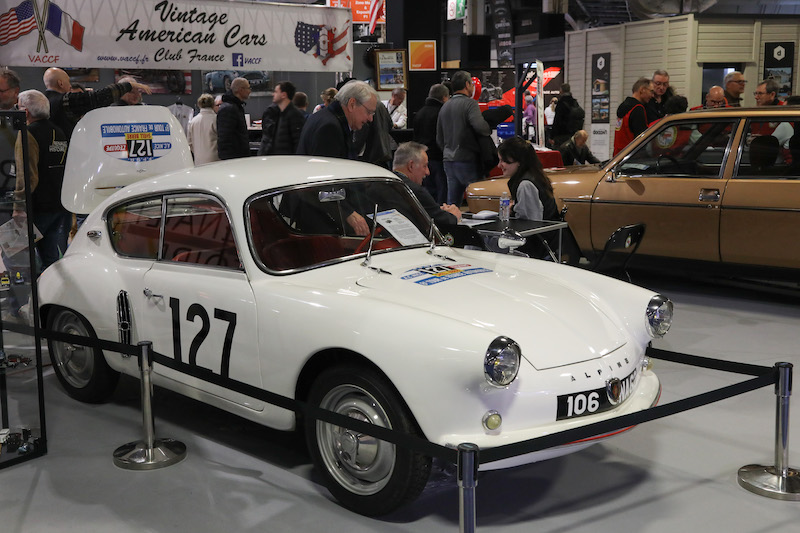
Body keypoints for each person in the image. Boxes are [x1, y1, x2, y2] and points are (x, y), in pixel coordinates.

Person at [297, 80, 378, 235]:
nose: (370, 119)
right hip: (318, 216)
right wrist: (348, 213)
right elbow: (322, 181)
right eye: (369, 112)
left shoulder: (325, 117)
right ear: (352, 104)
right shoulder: (330, 127)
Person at [13, 90, 71, 272]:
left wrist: (19, 206)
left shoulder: (27, 134)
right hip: (59, 205)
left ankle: (31, 298)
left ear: (26, 112)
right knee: (51, 259)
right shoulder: (59, 131)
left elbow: (27, 175)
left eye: (18, 107)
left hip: (37, 208)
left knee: (15, 256)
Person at [43, 67, 151, 139]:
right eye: (68, 81)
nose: (70, 85)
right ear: (60, 83)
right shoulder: (65, 100)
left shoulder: (43, 100)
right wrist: (129, 85)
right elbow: (99, 97)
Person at [497, 136, 560, 258]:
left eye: (503, 161)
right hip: (544, 243)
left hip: (536, 247)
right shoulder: (535, 176)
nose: (499, 165)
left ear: (518, 161)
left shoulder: (525, 184)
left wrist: (512, 212)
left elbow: (529, 226)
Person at [436, 70, 492, 206]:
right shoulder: (470, 104)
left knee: (453, 203)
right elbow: (480, 127)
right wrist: (488, 127)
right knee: (479, 201)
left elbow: (439, 137)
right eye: (471, 84)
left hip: (449, 160)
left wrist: (448, 150)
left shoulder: (445, 106)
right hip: (467, 160)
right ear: (467, 85)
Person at [392, 141, 461, 227]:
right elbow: (443, 220)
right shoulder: (414, 191)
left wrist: (438, 211)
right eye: (424, 166)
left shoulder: (378, 185)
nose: (427, 172)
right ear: (411, 165)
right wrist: (453, 215)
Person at [413, 83, 449, 204]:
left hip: (423, 158)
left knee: (428, 191)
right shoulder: (442, 113)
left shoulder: (420, 112)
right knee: (442, 191)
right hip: (438, 157)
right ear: (444, 97)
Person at [258, 80, 305, 155]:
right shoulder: (280, 113)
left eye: (276, 92)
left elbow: (297, 142)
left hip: (286, 161)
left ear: (283, 95)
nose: (273, 94)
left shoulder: (294, 115)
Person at [613, 77, 654, 156]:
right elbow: (641, 139)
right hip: (631, 156)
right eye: (651, 91)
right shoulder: (637, 109)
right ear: (642, 90)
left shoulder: (624, 107)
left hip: (618, 156)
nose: (652, 95)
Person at [216, 77, 251, 160]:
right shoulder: (229, 109)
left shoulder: (235, 107)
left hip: (238, 157)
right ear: (241, 90)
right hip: (234, 159)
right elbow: (225, 138)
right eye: (248, 88)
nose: (250, 91)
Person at [186, 93, 219, 166]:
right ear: (213, 104)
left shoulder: (193, 121)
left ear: (199, 105)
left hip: (198, 159)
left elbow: (190, 142)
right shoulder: (216, 119)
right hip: (215, 159)